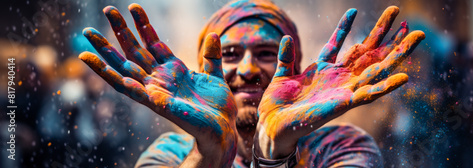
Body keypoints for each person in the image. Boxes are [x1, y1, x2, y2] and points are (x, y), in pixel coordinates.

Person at [78, 0, 425, 167]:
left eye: (266, 53)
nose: (247, 68)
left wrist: (275, 152)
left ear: (295, 69)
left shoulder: (342, 146)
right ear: (201, 72)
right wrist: (208, 156)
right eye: (228, 53)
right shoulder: (169, 154)